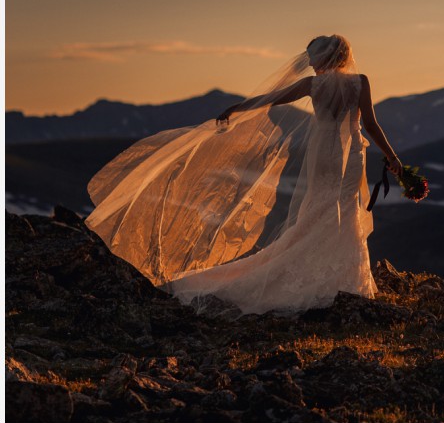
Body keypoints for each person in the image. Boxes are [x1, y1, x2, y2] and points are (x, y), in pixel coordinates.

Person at [84, 35, 402, 314]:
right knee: (345, 209)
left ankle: (325, 275)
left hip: (322, 155)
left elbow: (271, 99)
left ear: (321, 59)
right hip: (351, 155)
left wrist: (237, 107)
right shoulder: (360, 81)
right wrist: (392, 157)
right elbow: (371, 125)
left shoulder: (312, 85)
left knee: (317, 210)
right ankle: (349, 280)